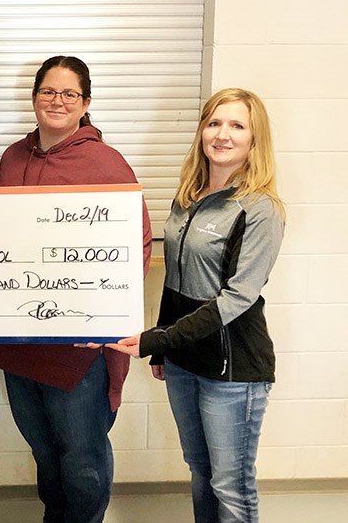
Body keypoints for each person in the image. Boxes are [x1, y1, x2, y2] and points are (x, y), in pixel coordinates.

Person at [0, 56, 153, 523]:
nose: (57, 101)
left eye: (68, 94)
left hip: (78, 347)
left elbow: (135, 250)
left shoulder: (107, 163)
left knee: (83, 461)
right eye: (48, 92)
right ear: (33, 97)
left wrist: (103, 319)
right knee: (44, 453)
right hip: (18, 340)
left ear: (86, 103)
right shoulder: (12, 157)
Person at [106, 88, 285, 522]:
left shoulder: (260, 208)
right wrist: (167, 348)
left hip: (233, 366)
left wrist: (155, 338)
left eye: (237, 126)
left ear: (254, 140)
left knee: (232, 486)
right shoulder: (187, 197)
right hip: (186, 361)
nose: (222, 134)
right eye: (214, 123)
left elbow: (237, 298)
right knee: (201, 471)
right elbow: (176, 279)